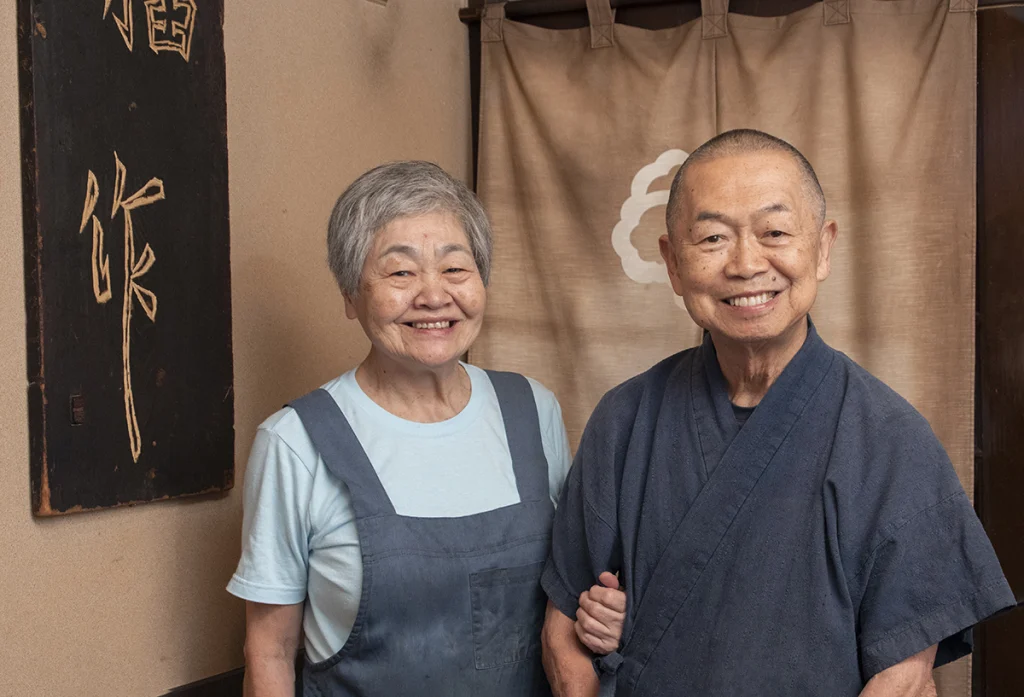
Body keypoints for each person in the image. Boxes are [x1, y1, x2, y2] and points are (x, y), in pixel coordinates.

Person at [540, 130, 1017, 697]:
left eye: (775, 233)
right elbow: (562, 629)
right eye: (713, 237)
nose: (745, 264)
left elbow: (904, 679)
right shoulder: (625, 418)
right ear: (672, 262)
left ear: (821, 249)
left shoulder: (889, 438)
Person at [227, 161, 625, 697]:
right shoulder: (295, 442)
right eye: (400, 272)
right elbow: (269, 652)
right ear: (350, 295)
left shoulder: (534, 410)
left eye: (456, 269)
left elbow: (568, 592)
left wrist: (601, 612)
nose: (434, 295)